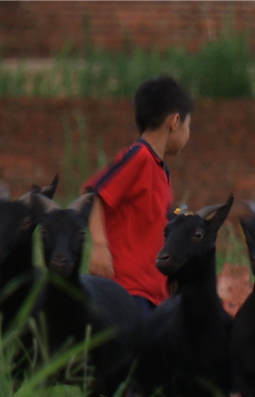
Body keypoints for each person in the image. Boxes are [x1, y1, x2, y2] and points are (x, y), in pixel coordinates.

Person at [83, 75, 193, 319]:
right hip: (126, 291)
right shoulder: (139, 157)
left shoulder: (161, 171)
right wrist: (100, 246)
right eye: (189, 126)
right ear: (175, 121)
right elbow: (93, 195)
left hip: (155, 293)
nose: (188, 133)